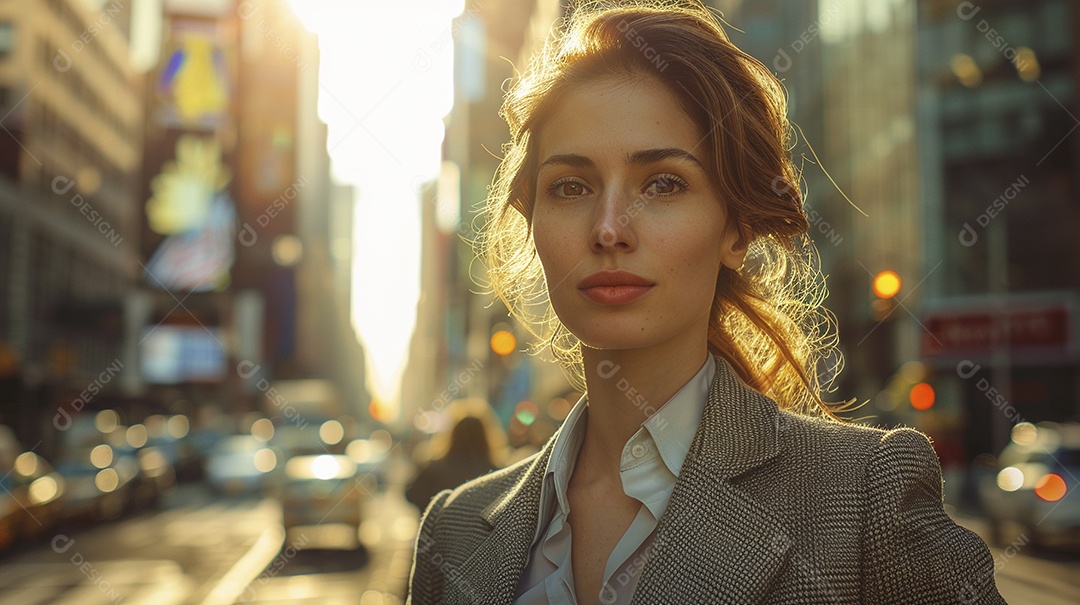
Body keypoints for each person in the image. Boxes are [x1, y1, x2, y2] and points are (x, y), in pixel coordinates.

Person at [408, 2, 1006, 604]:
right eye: (571, 187)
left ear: (736, 230)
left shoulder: (863, 499)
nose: (609, 228)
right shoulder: (454, 530)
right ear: (531, 221)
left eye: (663, 183)